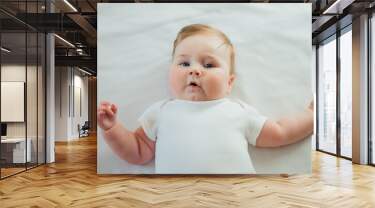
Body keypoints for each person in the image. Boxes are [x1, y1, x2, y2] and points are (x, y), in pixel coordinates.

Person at [98, 24, 313, 174]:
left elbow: (280, 131)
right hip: (174, 198)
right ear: (169, 73)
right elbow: (138, 151)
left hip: (234, 195)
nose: (195, 71)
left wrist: (311, 117)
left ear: (229, 83)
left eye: (208, 65)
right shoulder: (161, 111)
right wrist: (112, 129)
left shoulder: (238, 111)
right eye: (184, 64)